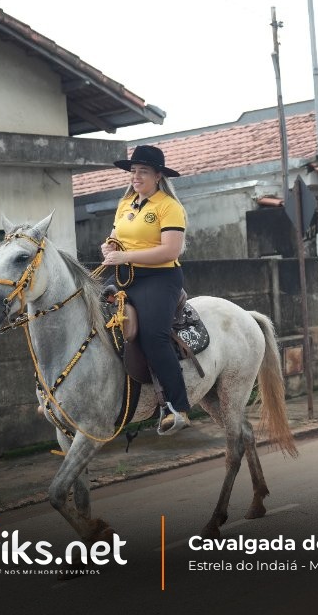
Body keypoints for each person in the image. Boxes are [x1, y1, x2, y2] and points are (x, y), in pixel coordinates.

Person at [100, 145, 191, 435]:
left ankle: (177, 407)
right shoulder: (125, 203)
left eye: (143, 172)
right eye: (133, 171)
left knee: (154, 336)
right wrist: (109, 247)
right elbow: (115, 237)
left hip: (159, 278)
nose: (136, 176)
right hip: (125, 276)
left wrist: (125, 256)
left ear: (158, 176)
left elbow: (170, 251)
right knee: (89, 315)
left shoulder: (169, 206)